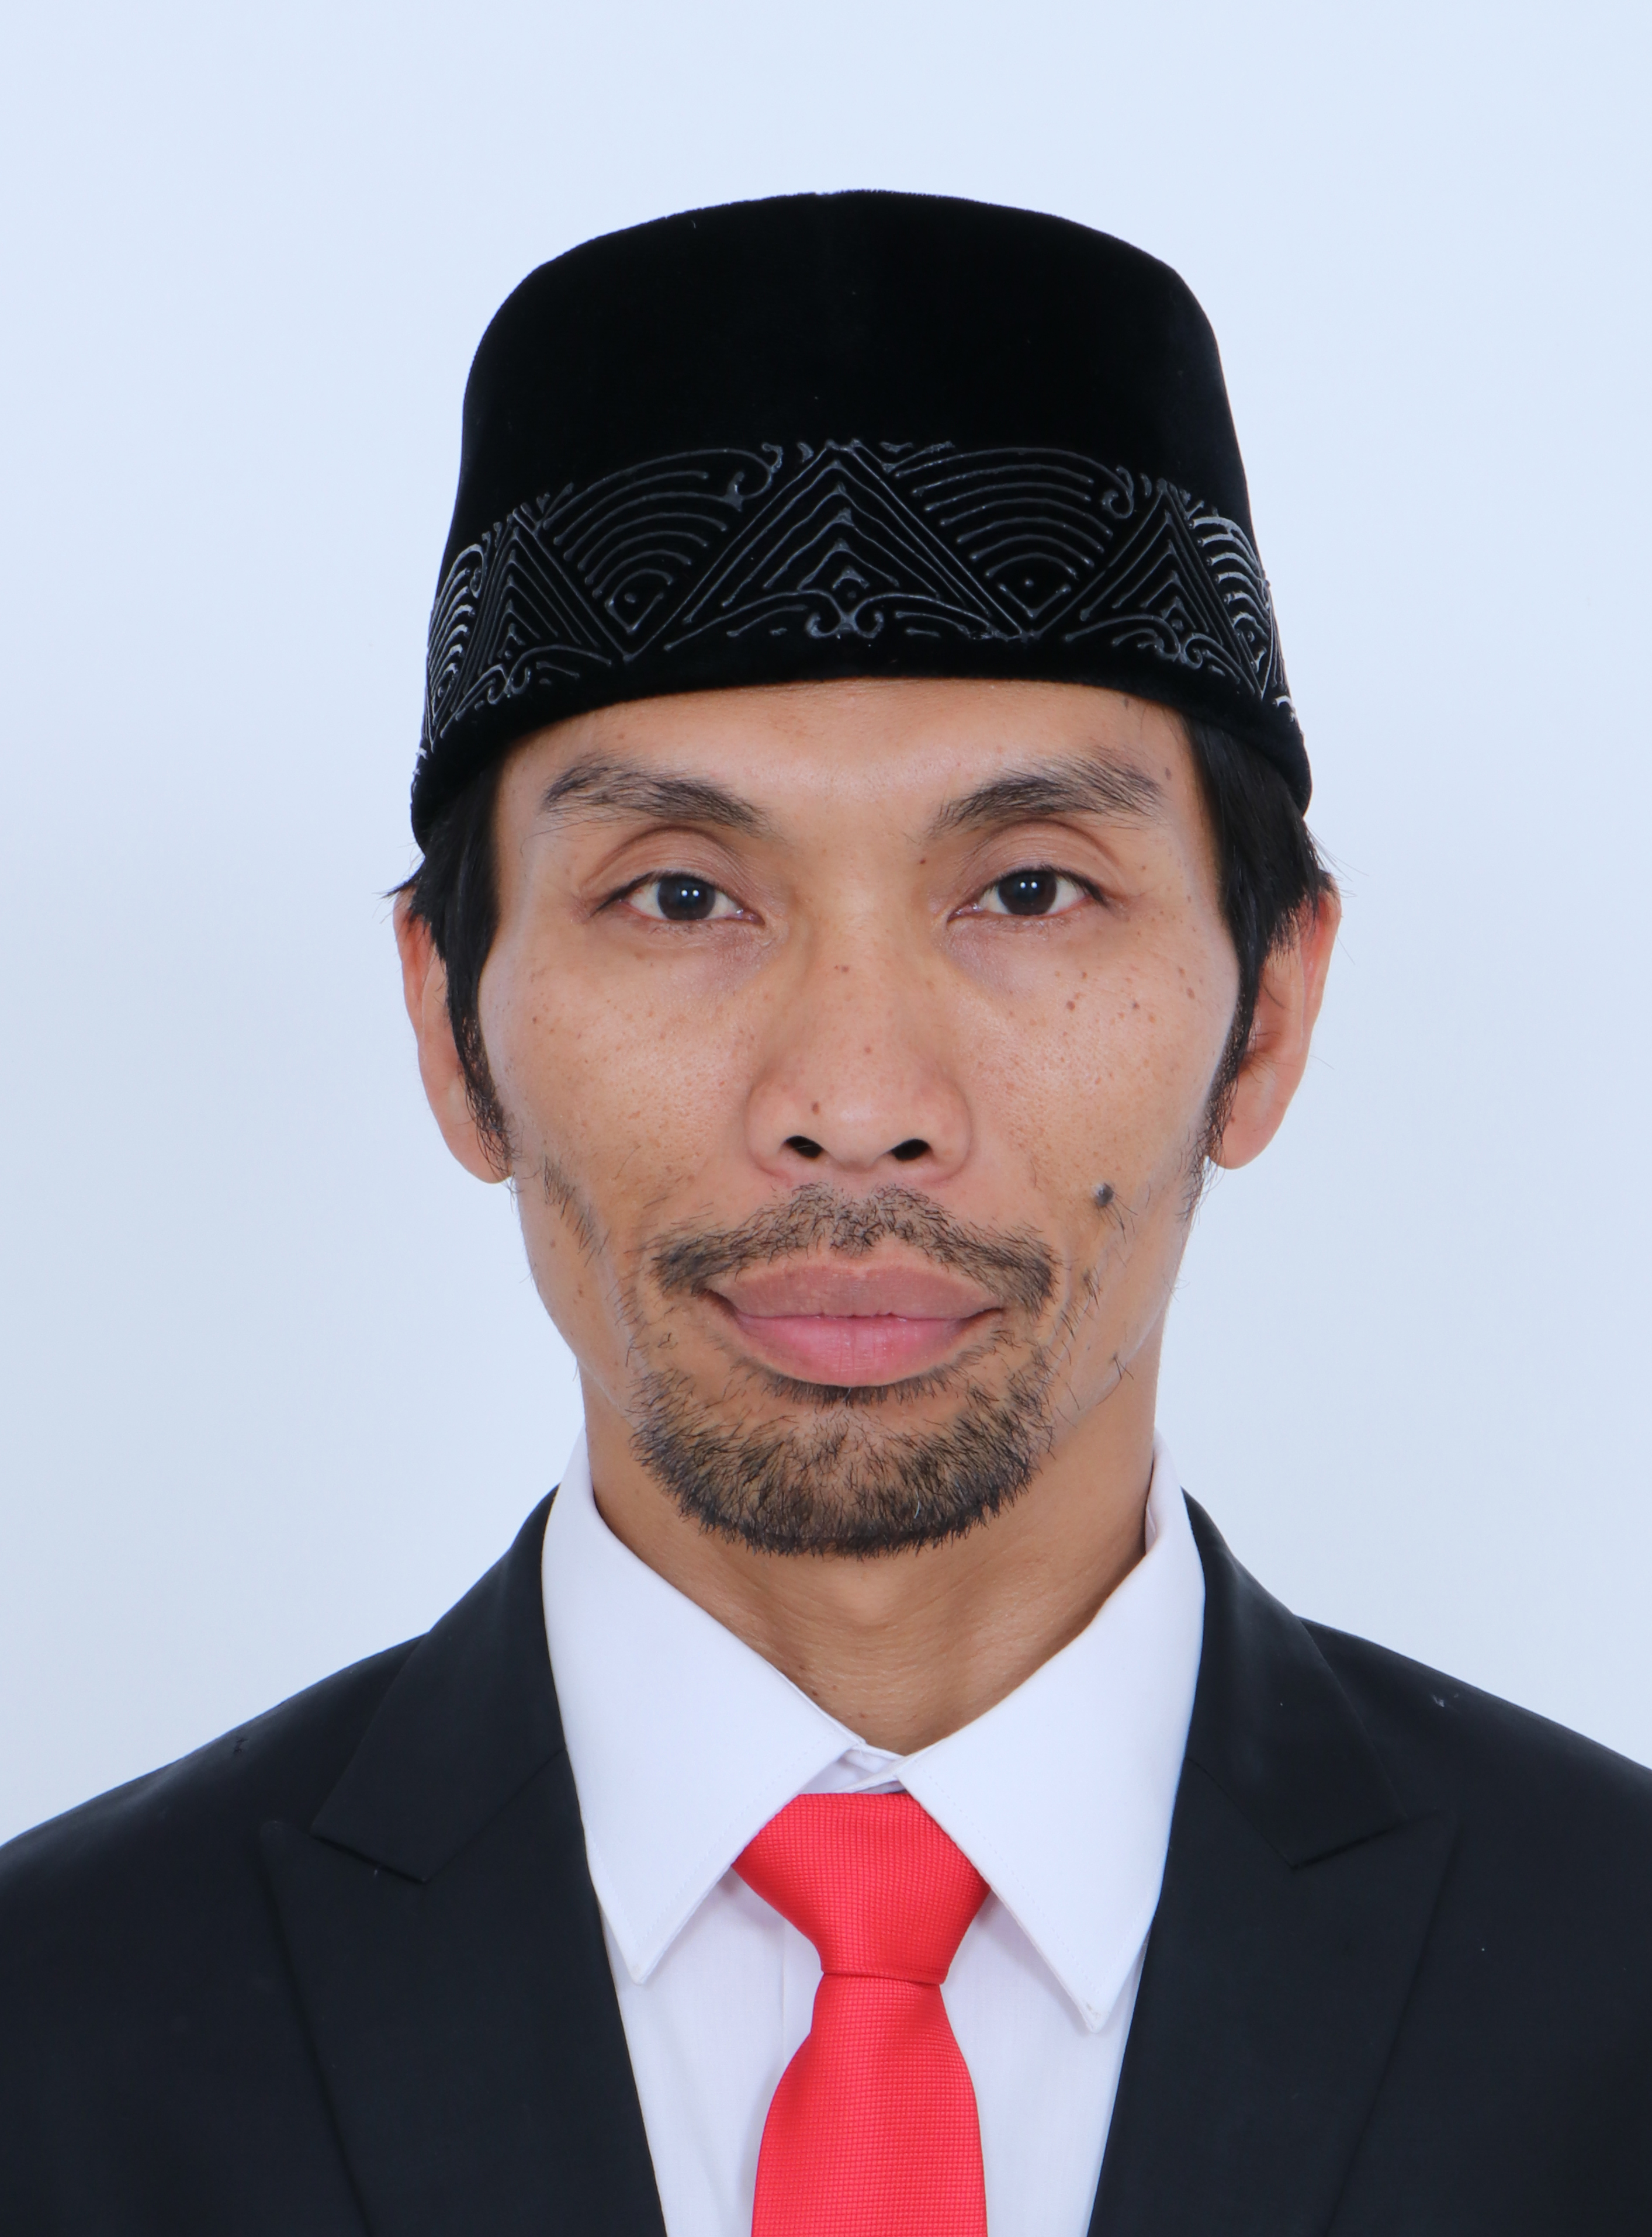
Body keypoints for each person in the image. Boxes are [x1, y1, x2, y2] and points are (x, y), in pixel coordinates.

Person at [1, 191, 1647, 2237]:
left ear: (1269, 1014)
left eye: (1028, 889)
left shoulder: (1610, 1997)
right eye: (680, 894)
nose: (854, 1105)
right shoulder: (52, 2038)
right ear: (451, 1028)